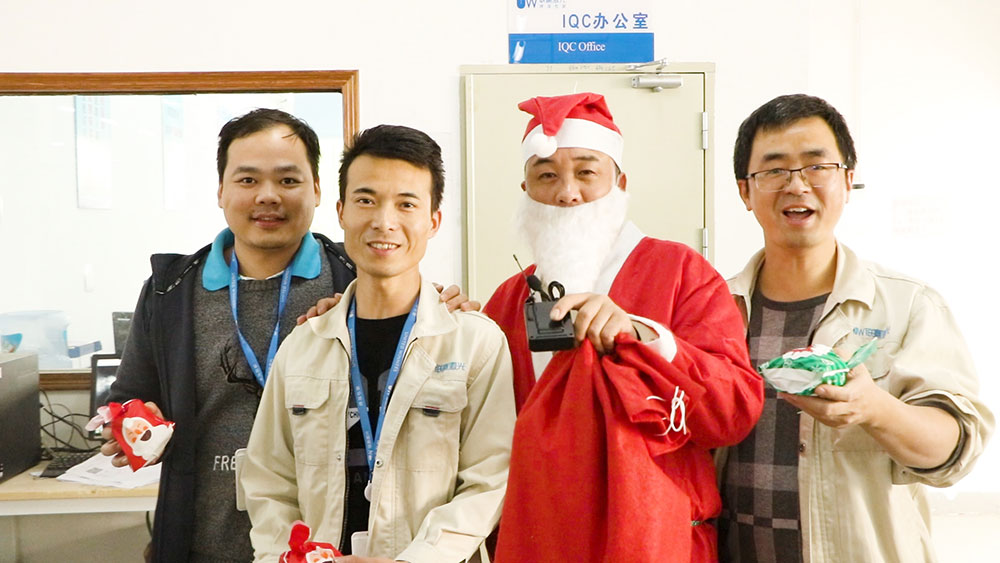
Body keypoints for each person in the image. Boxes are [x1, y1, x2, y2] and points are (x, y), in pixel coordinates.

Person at [101, 109, 473, 562]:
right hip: (203, 542)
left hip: (323, 550)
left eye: (288, 180)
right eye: (247, 180)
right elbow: (127, 401)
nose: (268, 196)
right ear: (220, 190)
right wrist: (131, 429)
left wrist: (442, 310)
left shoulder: (356, 277)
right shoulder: (171, 292)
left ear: (318, 191)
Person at [483, 92, 765, 562]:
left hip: (657, 543)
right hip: (539, 543)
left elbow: (732, 413)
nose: (567, 193)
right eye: (546, 175)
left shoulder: (681, 272)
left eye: (586, 173)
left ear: (620, 182)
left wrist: (645, 338)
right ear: (525, 189)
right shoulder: (508, 300)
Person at [717, 93, 994, 562]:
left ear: (847, 181)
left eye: (816, 166)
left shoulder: (907, 305)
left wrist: (874, 408)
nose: (797, 185)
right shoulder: (715, 309)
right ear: (745, 191)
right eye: (775, 169)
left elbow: (953, 452)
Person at [241, 124, 515, 563]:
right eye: (366, 200)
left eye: (406, 204)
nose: (384, 222)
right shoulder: (303, 345)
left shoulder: (474, 344)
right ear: (341, 212)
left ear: (433, 221)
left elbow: (490, 480)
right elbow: (269, 481)